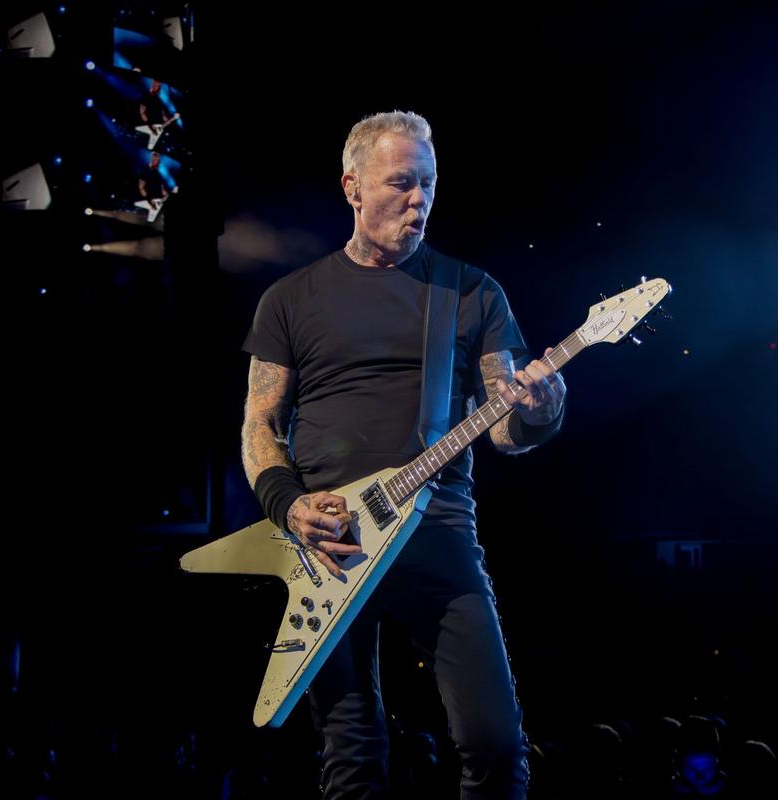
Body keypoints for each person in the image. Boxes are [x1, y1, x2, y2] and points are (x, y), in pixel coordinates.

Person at [241, 110, 565, 799]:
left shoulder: (471, 291)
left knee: (496, 744)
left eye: (429, 184)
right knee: (352, 755)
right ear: (352, 186)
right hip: (329, 544)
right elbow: (260, 423)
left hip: (438, 527)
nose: (419, 201)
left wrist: (541, 411)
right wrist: (289, 506)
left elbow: (503, 430)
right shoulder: (289, 300)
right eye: (400, 183)